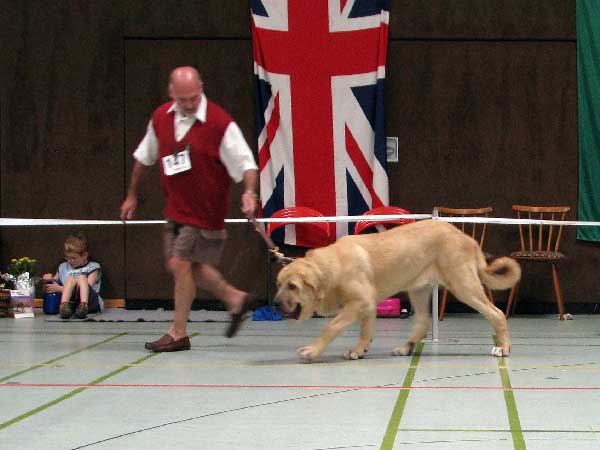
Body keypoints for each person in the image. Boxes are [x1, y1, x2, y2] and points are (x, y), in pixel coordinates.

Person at [120, 66, 259, 352]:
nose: (189, 104)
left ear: (202, 88)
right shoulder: (160, 118)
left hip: (205, 211)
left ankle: (177, 333)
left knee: (181, 264)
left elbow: (247, 164)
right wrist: (131, 195)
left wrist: (248, 192)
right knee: (180, 266)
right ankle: (235, 298)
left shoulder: (220, 124)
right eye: (183, 99)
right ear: (171, 93)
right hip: (176, 209)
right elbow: (143, 157)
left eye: (194, 98)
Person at [42, 233, 103, 320]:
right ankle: (64, 307)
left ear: (85, 255)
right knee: (70, 279)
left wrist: (59, 288)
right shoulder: (63, 266)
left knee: (82, 278)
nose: (70, 261)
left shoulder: (93, 267)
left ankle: (83, 306)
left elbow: (87, 287)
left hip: (90, 301)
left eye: (73, 258)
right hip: (72, 302)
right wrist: (48, 279)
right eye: (67, 258)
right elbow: (54, 282)